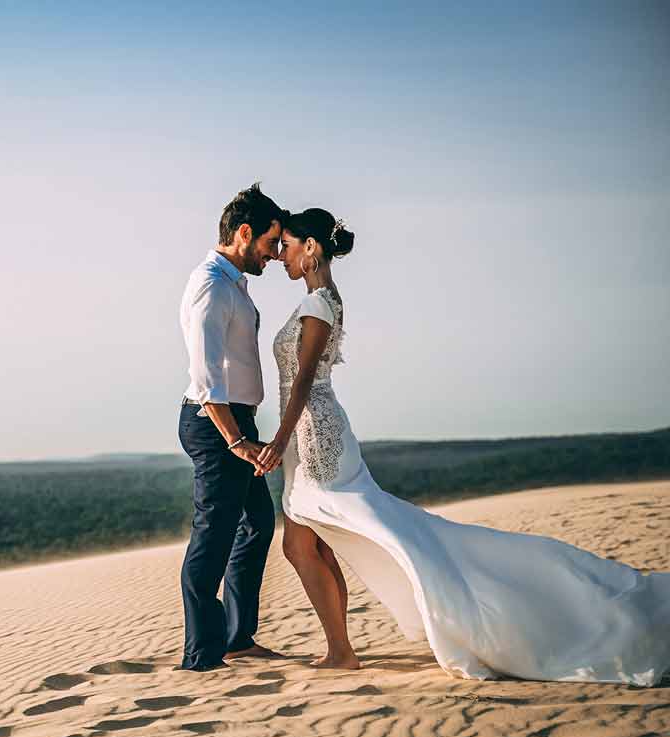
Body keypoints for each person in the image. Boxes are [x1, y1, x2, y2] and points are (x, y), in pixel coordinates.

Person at [255, 207, 670, 685]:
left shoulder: (318, 305)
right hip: (307, 435)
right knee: (308, 541)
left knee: (330, 538)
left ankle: (344, 649)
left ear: (311, 247)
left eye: (286, 244)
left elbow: (304, 381)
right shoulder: (322, 299)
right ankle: (340, 648)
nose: (281, 254)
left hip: (313, 439)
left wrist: (280, 439)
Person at [176, 183, 287, 672]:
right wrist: (236, 439)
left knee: (257, 524)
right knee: (214, 535)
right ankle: (202, 652)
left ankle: (238, 637)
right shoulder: (212, 285)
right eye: (271, 242)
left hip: (237, 419)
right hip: (215, 423)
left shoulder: (234, 282)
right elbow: (206, 377)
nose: (275, 254)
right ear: (245, 233)